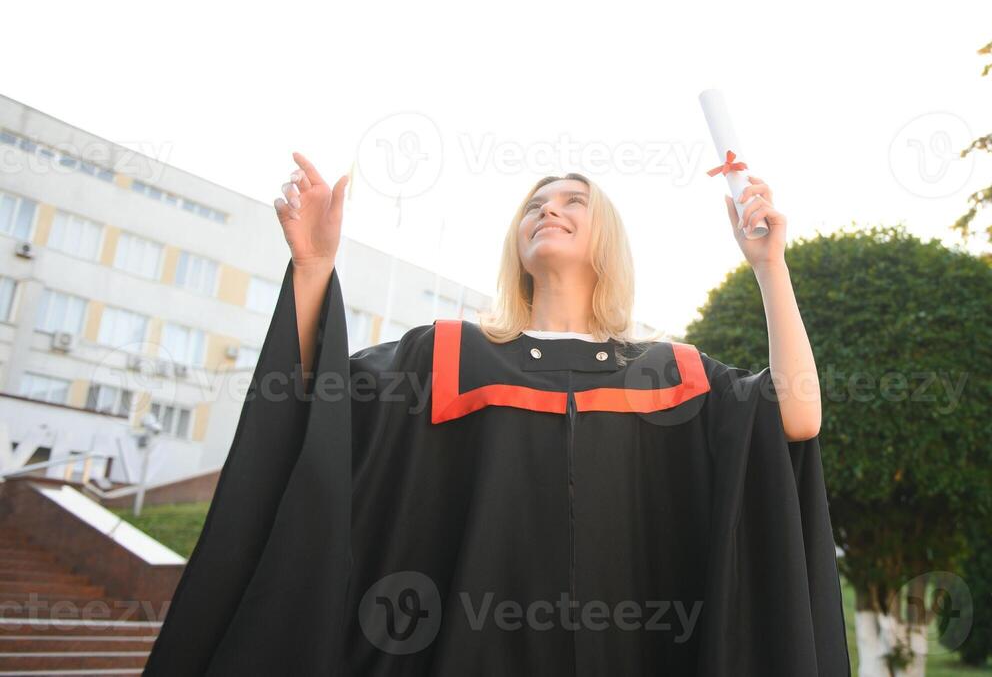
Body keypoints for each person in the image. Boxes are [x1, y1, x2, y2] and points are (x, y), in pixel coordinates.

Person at [140, 152, 849, 676]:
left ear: (607, 240)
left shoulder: (671, 374)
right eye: (536, 205)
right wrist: (314, 270)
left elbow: (796, 418)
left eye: (574, 201)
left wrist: (768, 266)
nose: (549, 209)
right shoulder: (446, 357)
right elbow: (308, 414)